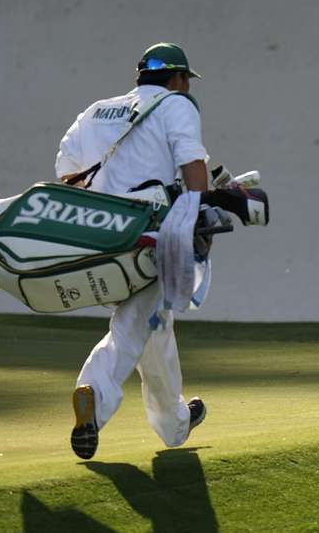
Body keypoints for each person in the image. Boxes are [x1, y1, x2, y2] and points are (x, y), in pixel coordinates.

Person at [54, 42, 210, 459]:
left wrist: (105, 205)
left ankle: (176, 424)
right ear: (178, 80)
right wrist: (199, 213)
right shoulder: (178, 105)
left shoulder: (96, 111)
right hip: (147, 234)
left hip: (98, 235)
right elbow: (194, 169)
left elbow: (66, 171)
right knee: (133, 326)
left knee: (152, 324)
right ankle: (94, 397)